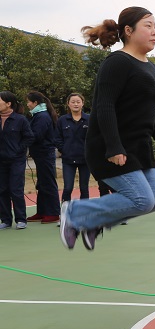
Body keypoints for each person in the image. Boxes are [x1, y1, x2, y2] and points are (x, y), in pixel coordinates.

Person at [59, 6, 155, 251]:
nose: (154, 32)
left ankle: (93, 222)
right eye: (148, 26)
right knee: (142, 200)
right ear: (128, 31)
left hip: (138, 148)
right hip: (111, 146)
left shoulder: (150, 68)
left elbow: (152, 112)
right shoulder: (117, 62)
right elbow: (104, 106)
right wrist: (113, 146)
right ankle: (75, 211)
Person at [0, 91, 34, 229]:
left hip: (16, 160)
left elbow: (29, 137)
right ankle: (6, 220)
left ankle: (21, 219)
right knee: (2, 190)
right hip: (1, 161)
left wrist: (18, 150)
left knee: (16, 189)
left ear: (8, 104)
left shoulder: (20, 120)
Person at [26, 91, 61, 223]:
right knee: (41, 183)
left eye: (28, 102)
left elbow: (36, 135)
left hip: (45, 154)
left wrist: (23, 137)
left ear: (35, 103)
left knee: (48, 183)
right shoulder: (39, 115)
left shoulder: (42, 116)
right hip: (40, 154)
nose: (27, 104)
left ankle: (53, 213)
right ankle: (42, 211)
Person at [55, 93, 91, 203]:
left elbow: (94, 137)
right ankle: (65, 210)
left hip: (85, 159)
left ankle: (84, 210)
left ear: (82, 103)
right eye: (73, 102)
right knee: (68, 188)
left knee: (84, 188)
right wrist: (64, 149)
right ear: (68, 104)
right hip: (68, 159)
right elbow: (57, 138)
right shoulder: (62, 120)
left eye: (78, 102)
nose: (76, 104)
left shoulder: (89, 119)